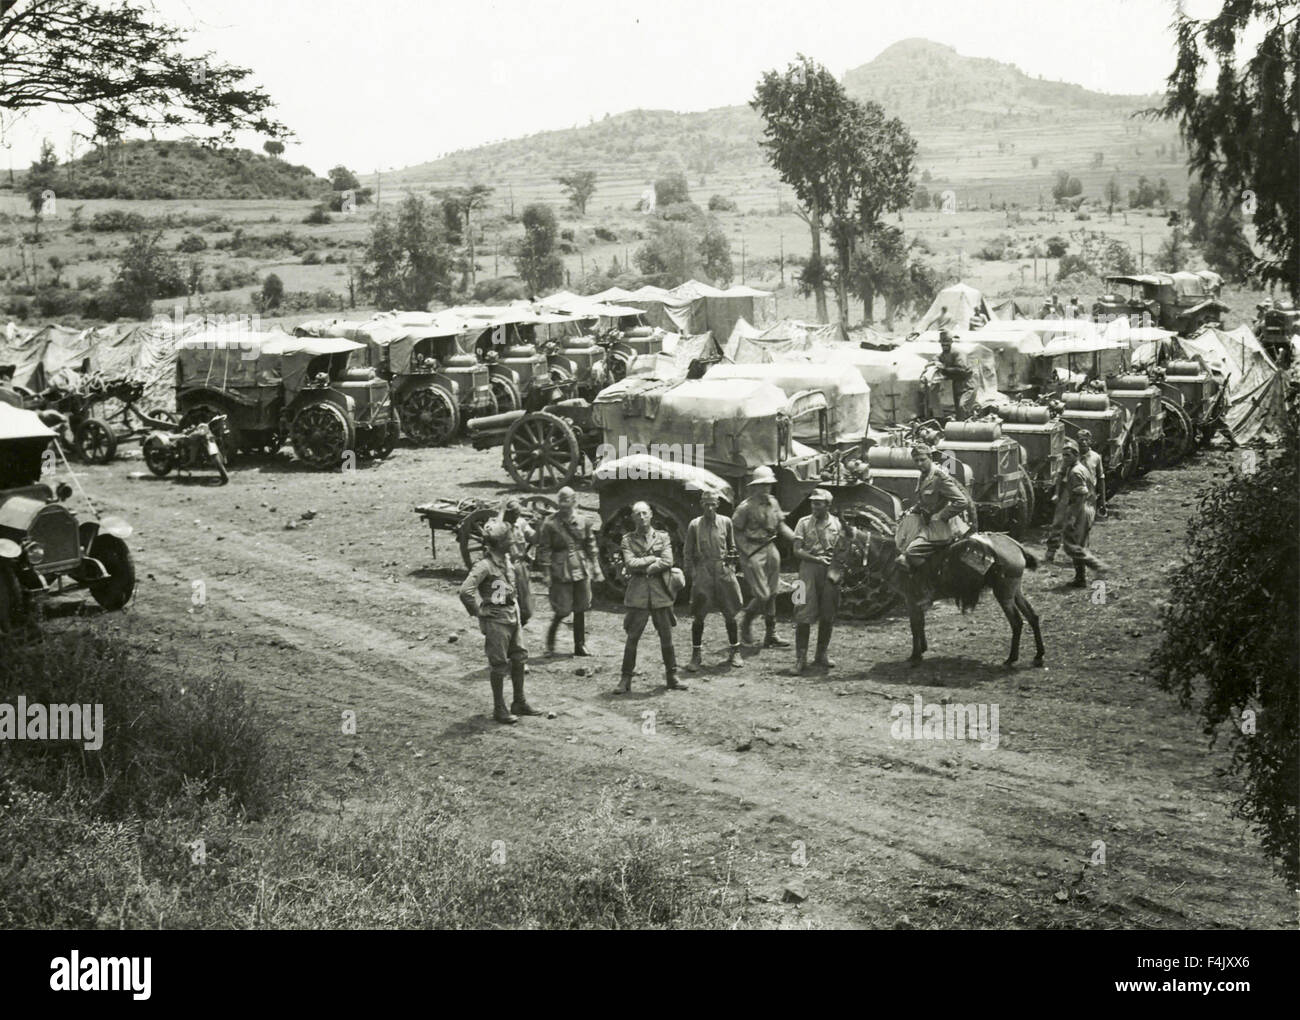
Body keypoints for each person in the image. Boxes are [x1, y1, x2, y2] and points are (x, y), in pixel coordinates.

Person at [458, 521, 539, 725]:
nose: (512, 541)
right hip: (497, 621)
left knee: (520, 658)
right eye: (508, 538)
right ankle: (499, 708)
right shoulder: (484, 565)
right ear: (499, 543)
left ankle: (519, 701)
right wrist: (479, 611)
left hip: (512, 615)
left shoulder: (505, 560)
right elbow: (465, 591)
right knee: (499, 664)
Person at [615, 501, 684, 694]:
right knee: (633, 637)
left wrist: (648, 567)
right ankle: (625, 678)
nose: (642, 517)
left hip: (661, 592)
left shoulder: (663, 537)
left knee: (666, 637)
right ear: (633, 518)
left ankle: (672, 676)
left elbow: (669, 560)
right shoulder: (627, 540)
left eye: (645, 513)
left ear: (651, 514)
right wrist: (653, 559)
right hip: (638, 594)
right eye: (637, 514)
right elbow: (629, 564)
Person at [733, 465, 796, 650]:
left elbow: (782, 526)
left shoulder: (773, 502)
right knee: (762, 594)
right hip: (752, 550)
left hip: (769, 547)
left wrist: (797, 539)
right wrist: (745, 551)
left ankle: (771, 634)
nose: (766, 488)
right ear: (754, 487)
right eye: (762, 485)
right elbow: (735, 531)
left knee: (773, 593)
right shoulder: (746, 507)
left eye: (769, 485)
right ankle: (745, 623)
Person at [535, 486, 602, 656]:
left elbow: (590, 544)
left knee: (581, 606)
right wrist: (547, 573)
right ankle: (550, 644)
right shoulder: (550, 524)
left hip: (580, 566)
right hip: (560, 568)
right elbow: (544, 549)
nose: (564, 508)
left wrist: (595, 566)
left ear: (574, 502)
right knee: (563, 609)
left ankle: (580, 646)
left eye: (567, 504)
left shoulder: (584, 521)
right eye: (561, 505)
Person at [683, 490, 744, 671]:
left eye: (713, 504)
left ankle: (735, 650)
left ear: (717, 504)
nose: (709, 508)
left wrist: (731, 567)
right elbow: (687, 553)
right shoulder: (694, 525)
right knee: (699, 615)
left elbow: (732, 547)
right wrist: (693, 574)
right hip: (704, 571)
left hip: (723, 570)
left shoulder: (726, 522)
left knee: (730, 612)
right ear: (701, 505)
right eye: (706, 504)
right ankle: (696, 654)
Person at [897, 443, 974, 576]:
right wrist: (913, 510)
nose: (920, 463)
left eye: (923, 459)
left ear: (930, 457)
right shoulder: (923, 476)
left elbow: (962, 501)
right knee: (901, 539)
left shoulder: (939, 477)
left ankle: (929, 582)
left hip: (941, 527)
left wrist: (941, 515)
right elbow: (924, 502)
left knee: (911, 552)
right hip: (927, 524)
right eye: (916, 461)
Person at [792, 489, 845, 674]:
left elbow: (841, 549)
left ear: (828, 505)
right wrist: (817, 559)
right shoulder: (803, 522)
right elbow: (796, 550)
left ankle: (821, 654)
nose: (814, 506)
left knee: (828, 614)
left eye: (818, 503)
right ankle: (800, 658)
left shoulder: (836, 524)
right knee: (801, 613)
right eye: (813, 503)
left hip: (829, 571)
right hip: (806, 571)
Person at [1059, 442, 1107, 587]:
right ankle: (1081, 577)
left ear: (1076, 455)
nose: (1065, 458)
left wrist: (1073, 517)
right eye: (1063, 455)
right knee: (1079, 544)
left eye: (1068, 455)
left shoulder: (1075, 472)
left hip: (1081, 510)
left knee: (1074, 545)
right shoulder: (1079, 468)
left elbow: (1081, 495)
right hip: (1087, 507)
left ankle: (1094, 570)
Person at [499, 496, 535, 623]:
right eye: (514, 513)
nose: (516, 516)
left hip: (519, 568)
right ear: (507, 513)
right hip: (503, 569)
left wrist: (542, 527)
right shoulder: (499, 527)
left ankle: (519, 625)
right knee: (503, 606)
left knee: (525, 607)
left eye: (518, 513)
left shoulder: (521, 523)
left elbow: (534, 538)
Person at [937, 330, 975, 421]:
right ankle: (960, 428)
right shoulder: (943, 355)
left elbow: (962, 370)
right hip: (956, 384)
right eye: (943, 344)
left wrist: (945, 369)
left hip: (967, 383)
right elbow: (937, 361)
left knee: (963, 406)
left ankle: (968, 426)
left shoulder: (958, 353)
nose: (944, 346)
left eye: (946, 344)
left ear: (951, 343)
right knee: (958, 409)